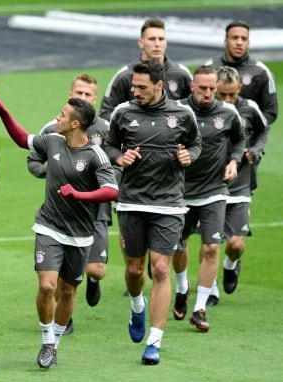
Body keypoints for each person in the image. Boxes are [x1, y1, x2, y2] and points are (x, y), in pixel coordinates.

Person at [0, 92, 118, 369]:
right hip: (49, 226)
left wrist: (78, 196)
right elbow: (23, 139)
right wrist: (1, 108)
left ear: (75, 124)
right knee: (47, 286)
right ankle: (47, 339)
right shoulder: (53, 140)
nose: (57, 117)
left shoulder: (95, 155)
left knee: (68, 292)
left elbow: (111, 191)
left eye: (62, 115)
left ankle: (55, 342)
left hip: (80, 234)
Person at [106, 59, 202, 365]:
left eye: (141, 87)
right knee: (135, 270)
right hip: (132, 201)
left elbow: (196, 144)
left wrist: (189, 156)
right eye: (133, 85)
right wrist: (120, 158)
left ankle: (155, 341)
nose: (135, 91)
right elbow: (108, 146)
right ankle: (137, 306)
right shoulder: (123, 112)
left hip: (169, 204)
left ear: (159, 86)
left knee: (160, 269)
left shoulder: (183, 114)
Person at [27, 74, 117, 333]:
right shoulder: (53, 129)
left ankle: (91, 281)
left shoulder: (106, 130)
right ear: (70, 93)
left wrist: (89, 187)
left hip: (93, 213)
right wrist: (57, 173)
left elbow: (114, 170)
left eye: (88, 95)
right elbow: (33, 160)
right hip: (56, 216)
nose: (82, 98)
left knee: (97, 270)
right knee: (50, 283)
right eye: (79, 93)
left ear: (95, 99)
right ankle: (59, 327)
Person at [171, 66, 243, 332]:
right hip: (179, 192)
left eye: (212, 88)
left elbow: (238, 140)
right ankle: (181, 288)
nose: (209, 93)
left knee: (212, 247)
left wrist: (234, 161)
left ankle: (199, 308)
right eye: (203, 88)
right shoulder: (177, 111)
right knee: (178, 248)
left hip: (214, 191)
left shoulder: (227, 112)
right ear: (192, 86)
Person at [214, 66, 269, 298]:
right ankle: (211, 291)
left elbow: (263, 132)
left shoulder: (250, 108)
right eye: (222, 95)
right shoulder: (207, 110)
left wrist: (255, 150)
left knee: (236, 244)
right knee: (211, 245)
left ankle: (229, 266)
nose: (227, 100)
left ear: (239, 89)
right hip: (212, 187)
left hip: (241, 186)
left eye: (232, 95)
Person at [205, 21, 277, 192]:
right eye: (234, 38)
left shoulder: (260, 71)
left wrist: (247, 129)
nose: (239, 42)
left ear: (248, 43)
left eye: (243, 38)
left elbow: (271, 112)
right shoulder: (210, 68)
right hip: (214, 140)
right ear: (225, 40)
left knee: (242, 193)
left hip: (246, 146)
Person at [99, 18, 192, 120]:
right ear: (141, 43)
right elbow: (105, 113)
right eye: (152, 39)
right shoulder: (125, 75)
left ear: (166, 42)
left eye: (161, 39)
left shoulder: (181, 74)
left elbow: (195, 108)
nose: (157, 44)